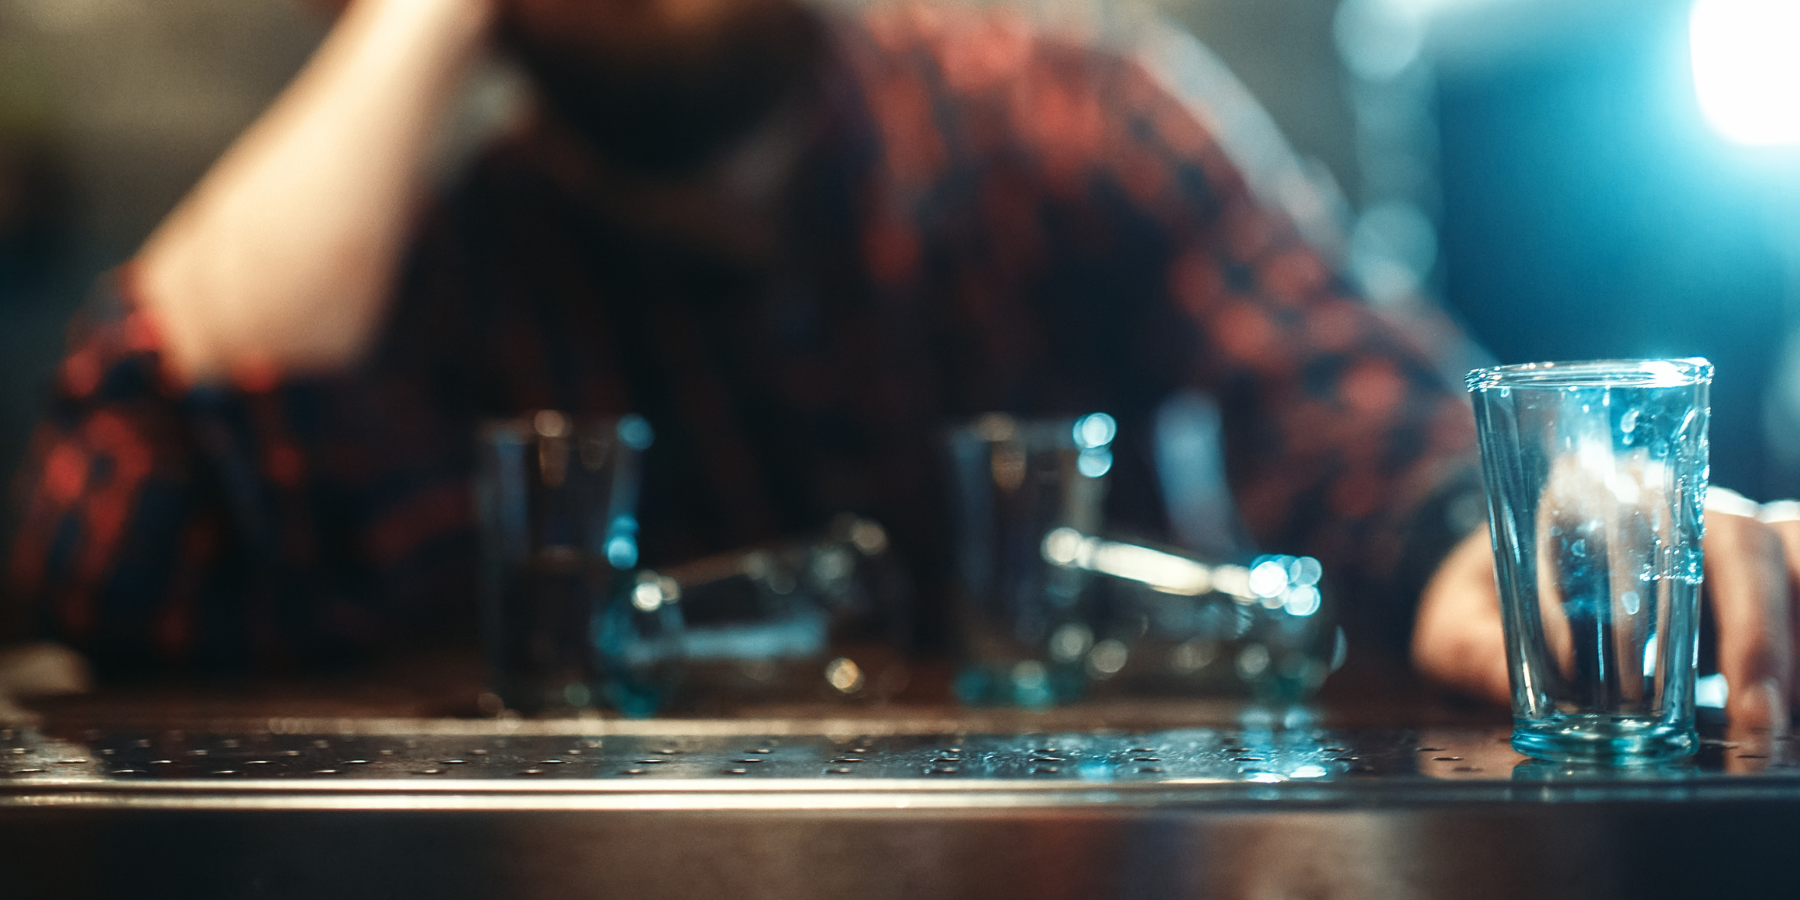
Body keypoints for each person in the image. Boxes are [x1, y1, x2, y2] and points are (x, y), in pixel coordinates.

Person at [4, 0, 1797, 729]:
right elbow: (118, 538)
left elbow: (1353, 401)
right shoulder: (444, 262)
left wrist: (1498, 544)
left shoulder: (1065, 119)